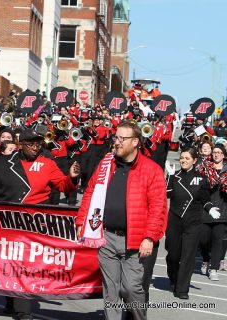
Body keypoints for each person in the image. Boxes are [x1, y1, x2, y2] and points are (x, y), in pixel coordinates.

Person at [0, 128, 80, 320]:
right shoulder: (4, 161)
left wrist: (72, 177)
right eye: (31, 144)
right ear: (21, 145)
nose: (36, 148)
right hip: (9, 219)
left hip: (34, 220)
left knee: (25, 263)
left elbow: (63, 185)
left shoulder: (47, 163)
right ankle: (11, 301)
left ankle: (23, 310)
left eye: (38, 144)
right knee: (9, 263)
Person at [76, 120, 167, 320]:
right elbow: (91, 192)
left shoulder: (151, 170)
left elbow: (158, 207)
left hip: (134, 240)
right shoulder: (106, 163)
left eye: (121, 138)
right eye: (115, 137)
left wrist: (150, 237)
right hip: (106, 236)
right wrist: (82, 221)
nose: (116, 142)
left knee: (131, 289)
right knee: (111, 291)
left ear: (135, 142)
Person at [165, 147, 218, 299]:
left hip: (193, 221)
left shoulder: (201, 179)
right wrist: (169, 176)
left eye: (187, 158)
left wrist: (210, 209)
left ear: (194, 161)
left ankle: (182, 289)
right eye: (182, 158)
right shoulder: (175, 176)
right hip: (175, 219)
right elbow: (167, 194)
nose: (183, 161)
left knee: (188, 255)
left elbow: (205, 200)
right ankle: (174, 278)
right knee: (173, 254)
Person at [198, 145, 227, 281]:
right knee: (203, 239)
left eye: (219, 153)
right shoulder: (204, 169)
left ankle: (214, 268)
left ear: (223, 155)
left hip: (222, 211)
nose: (216, 155)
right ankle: (205, 259)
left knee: (217, 240)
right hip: (206, 210)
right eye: (214, 152)